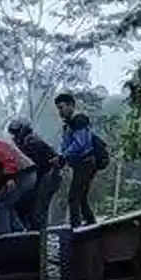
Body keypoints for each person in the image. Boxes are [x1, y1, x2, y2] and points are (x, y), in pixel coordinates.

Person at [8, 118, 61, 230]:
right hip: (42, 176)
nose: (15, 136)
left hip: (47, 175)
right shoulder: (26, 141)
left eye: (16, 132)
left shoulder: (31, 141)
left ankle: (41, 238)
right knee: (30, 208)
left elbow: (39, 163)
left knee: (38, 211)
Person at [55, 93, 99, 228]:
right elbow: (66, 145)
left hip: (86, 162)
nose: (60, 111)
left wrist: (65, 155)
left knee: (74, 197)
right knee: (81, 197)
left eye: (62, 107)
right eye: (58, 108)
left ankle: (76, 229)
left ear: (71, 106)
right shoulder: (67, 125)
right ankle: (91, 223)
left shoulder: (79, 120)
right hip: (80, 164)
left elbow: (81, 144)